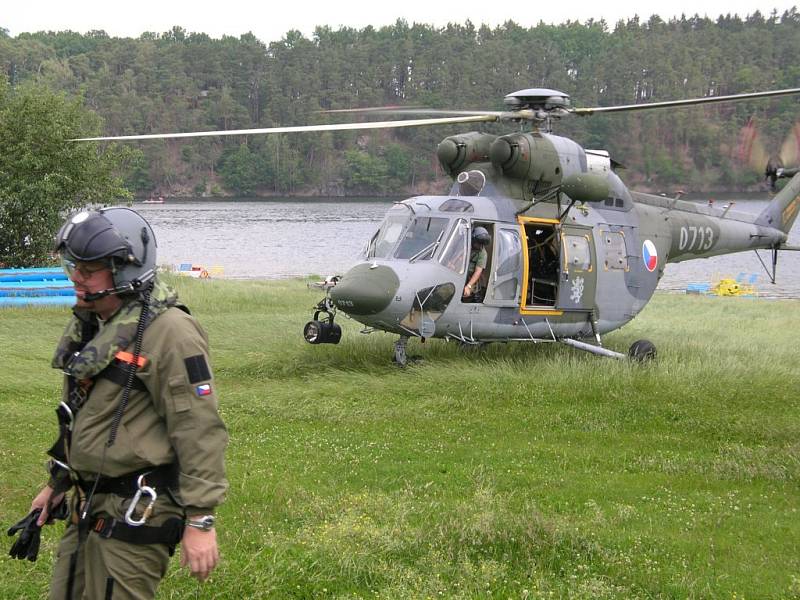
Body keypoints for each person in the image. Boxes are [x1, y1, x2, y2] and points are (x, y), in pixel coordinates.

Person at [20, 207, 228, 599]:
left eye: (89, 269)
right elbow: (80, 413)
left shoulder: (169, 332)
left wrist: (200, 520)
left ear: (124, 268)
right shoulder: (96, 321)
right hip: (89, 504)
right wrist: (58, 483)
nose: (77, 279)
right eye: (73, 267)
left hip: (136, 510)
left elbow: (198, 428)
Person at [463, 226, 491, 301]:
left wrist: (469, 286)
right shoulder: (467, 245)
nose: (480, 246)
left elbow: (478, 271)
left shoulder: (483, 253)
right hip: (461, 275)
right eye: (479, 243)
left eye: (482, 244)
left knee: (466, 294)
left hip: (471, 279)